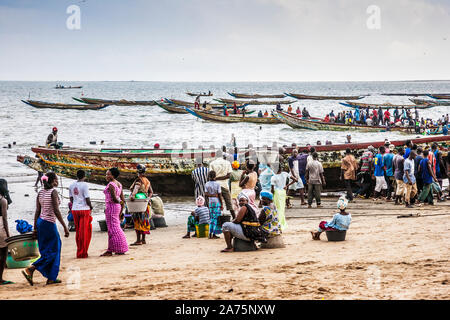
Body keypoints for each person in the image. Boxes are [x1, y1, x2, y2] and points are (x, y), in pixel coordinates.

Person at [22, 172, 70, 286]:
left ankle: (51, 277)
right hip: (49, 223)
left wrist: (35, 228)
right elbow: (56, 211)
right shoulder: (53, 192)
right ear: (52, 180)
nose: (57, 182)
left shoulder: (40, 192)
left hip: (40, 223)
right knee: (55, 249)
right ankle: (32, 268)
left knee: (47, 250)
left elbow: (37, 211)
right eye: (56, 179)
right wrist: (65, 227)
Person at [100, 168, 128, 256]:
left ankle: (111, 250)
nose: (107, 176)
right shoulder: (119, 184)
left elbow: (114, 199)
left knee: (112, 229)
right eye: (106, 174)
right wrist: (121, 209)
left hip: (111, 207)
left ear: (113, 175)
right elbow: (122, 199)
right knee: (116, 227)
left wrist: (117, 203)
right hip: (117, 207)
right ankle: (119, 248)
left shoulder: (111, 184)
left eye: (108, 174)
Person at [69, 170, 93, 258]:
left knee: (78, 232)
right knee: (84, 232)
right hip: (84, 209)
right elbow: (87, 199)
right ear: (84, 176)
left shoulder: (71, 185)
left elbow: (71, 199)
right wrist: (90, 206)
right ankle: (83, 252)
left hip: (75, 209)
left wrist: (76, 203)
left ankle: (79, 251)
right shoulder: (85, 185)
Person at [129, 164, 153, 246]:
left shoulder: (138, 180)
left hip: (138, 203)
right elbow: (151, 192)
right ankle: (143, 239)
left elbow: (135, 189)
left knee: (137, 220)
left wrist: (132, 196)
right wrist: (148, 198)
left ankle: (138, 240)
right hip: (145, 203)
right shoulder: (147, 180)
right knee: (144, 221)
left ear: (138, 172)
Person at [209, 149, 235, 218]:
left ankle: (216, 218)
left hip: (214, 186)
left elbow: (210, 175)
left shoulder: (212, 163)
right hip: (224, 185)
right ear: (222, 155)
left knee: (216, 203)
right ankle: (235, 218)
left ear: (216, 155)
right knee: (229, 204)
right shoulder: (227, 163)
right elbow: (229, 175)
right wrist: (220, 178)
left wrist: (216, 178)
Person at [271, 165, 296, 231]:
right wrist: (287, 185)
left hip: (277, 193)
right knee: (282, 208)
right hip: (283, 192)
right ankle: (282, 222)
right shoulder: (285, 174)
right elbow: (295, 179)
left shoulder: (273, 177)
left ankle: (279, 223)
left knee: (277, 208)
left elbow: (272, 190)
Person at [0, 179, 12, 285]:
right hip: (0, 227)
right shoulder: (3, 200)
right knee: (3, 253)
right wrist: (8, 234)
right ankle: (0, 279)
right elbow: (4, 218)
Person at [204, 170, 223, 239]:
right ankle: (214, 233)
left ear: (209, 176)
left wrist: (211, 195)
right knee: (216, 218)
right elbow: (219, 195)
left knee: (211, 218)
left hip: (210, 203)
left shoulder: (207, 184)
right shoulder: (217, 184)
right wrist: (222, 204)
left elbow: (205, 194)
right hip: (216, 202)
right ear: (215, 176)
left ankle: (210, 233)